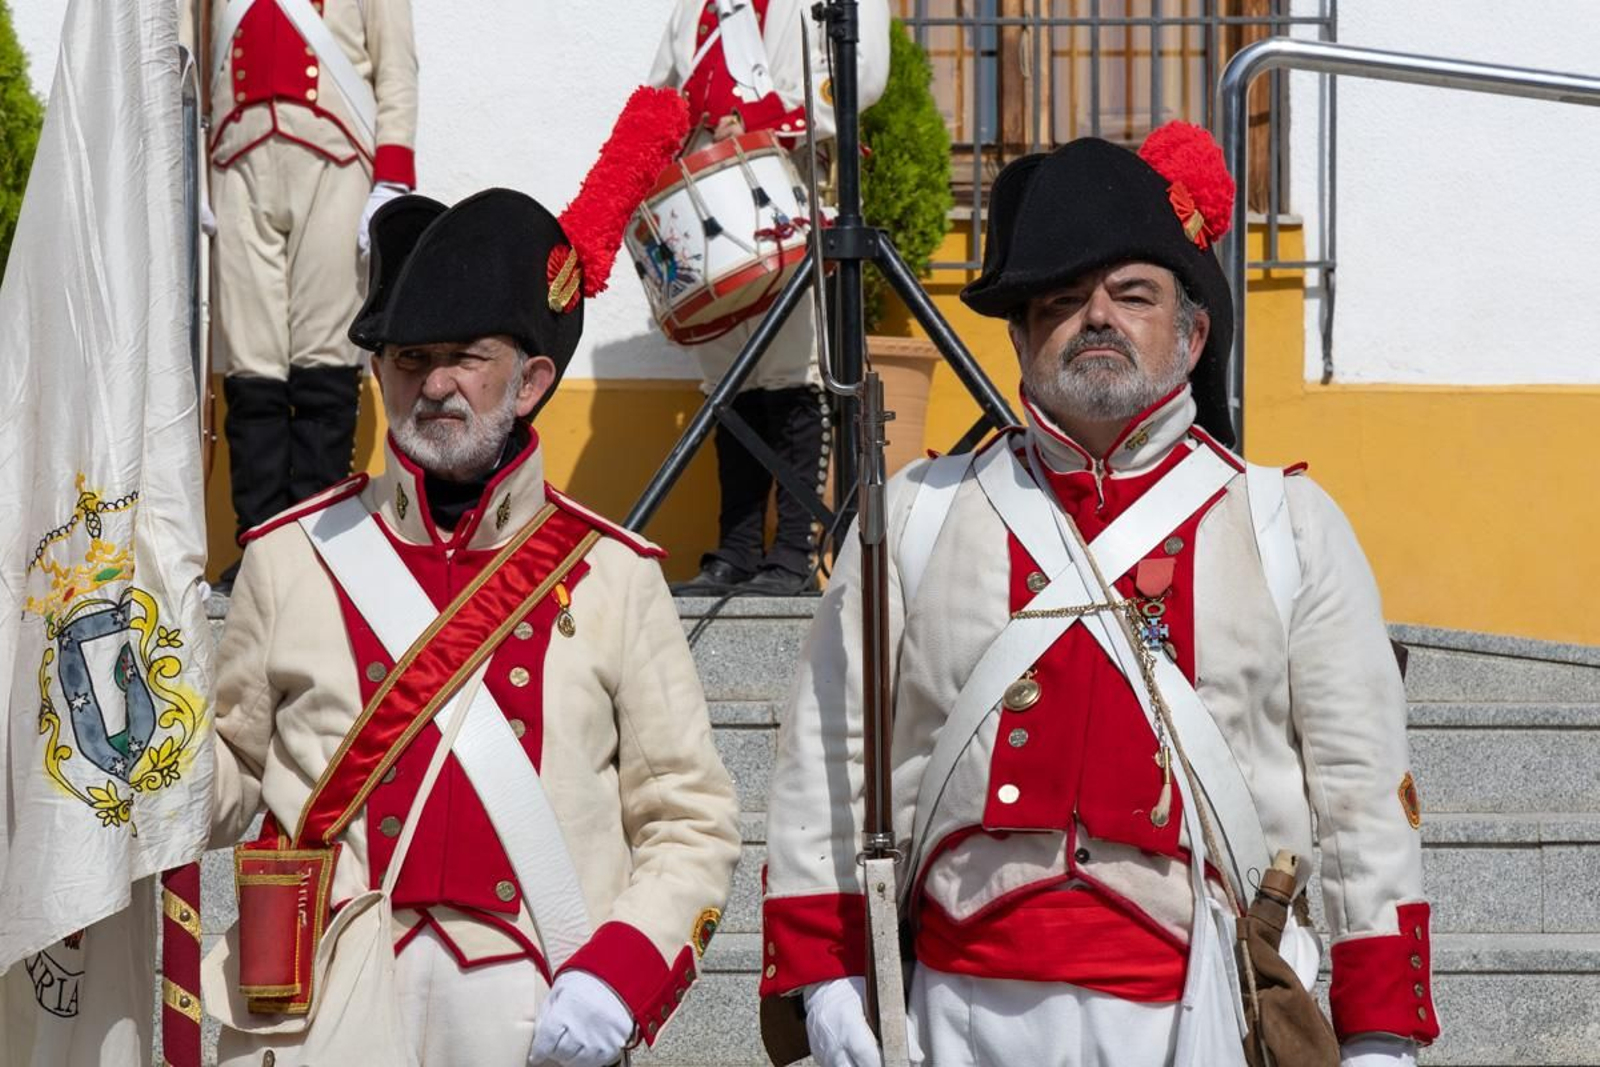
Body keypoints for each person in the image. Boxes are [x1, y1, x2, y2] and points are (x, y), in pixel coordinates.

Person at [759, 122, 1440, 1067]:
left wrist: (1379, 1030)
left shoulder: (1289, 524)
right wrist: (823, 970)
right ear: (1023, 336)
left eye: (1133, 294)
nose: (1098, 318)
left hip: (1199, 1004)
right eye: (1064, 298)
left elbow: (1363, 800)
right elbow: (830, 760)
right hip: (956, 1002)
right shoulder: (916, 516)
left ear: (1193, 331)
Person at [206, 90, 741, 1067]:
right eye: (410, 360)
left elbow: (690, 817)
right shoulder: (289, 557)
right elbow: (228, 779)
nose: (435, 383)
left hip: (539, 995)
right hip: (325, 999)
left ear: (532, 380)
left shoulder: (614, 575)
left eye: (466, 358)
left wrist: (618, 974)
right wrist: (135, 741)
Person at [649, 0, 890, 596]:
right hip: (713, 198)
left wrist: (767, 117)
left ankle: (793, 554)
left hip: (785, 178)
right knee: (732, 379)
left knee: (789, 371)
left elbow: (860, 77)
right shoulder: (698, 7)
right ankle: (735, 552)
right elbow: (662, 94)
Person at [181, 0, 418, 587]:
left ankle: (317, 547)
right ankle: (261, 544)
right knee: (250, 367)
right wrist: (185, 167)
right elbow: (182, 64)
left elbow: (395, 67)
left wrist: (392, 175)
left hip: (336, 159)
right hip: (234, 166)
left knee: (325, 359)